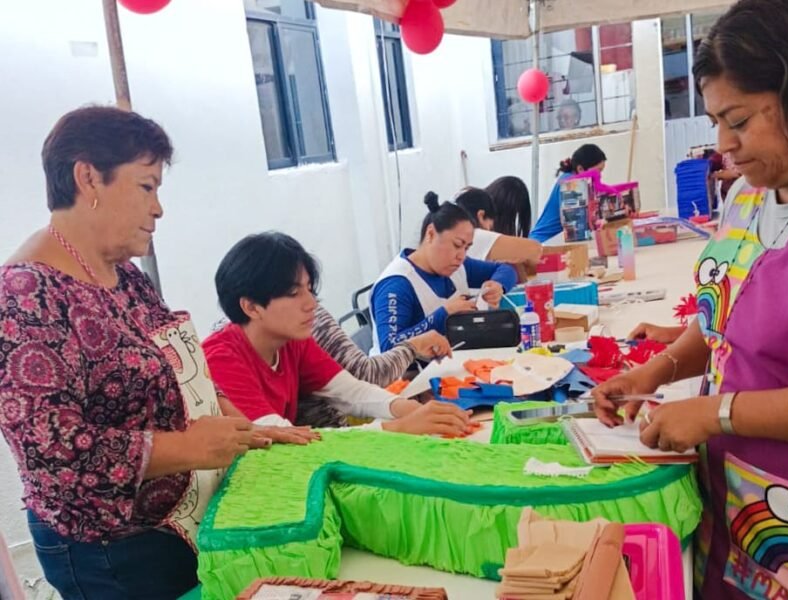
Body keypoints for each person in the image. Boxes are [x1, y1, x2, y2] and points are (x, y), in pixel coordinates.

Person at [591, 0, 788, 597]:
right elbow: (726, 320)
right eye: (715, 121)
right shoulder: (749, 193)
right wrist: (655, 372)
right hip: (736, 507)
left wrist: (713, 413)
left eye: (738, 120)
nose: (723, 145)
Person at [0, 107, 313, 600]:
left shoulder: (123, 274)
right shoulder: (25, 294)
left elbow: (180, 371)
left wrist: (248, 430)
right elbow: (53, 452)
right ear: (88, 178)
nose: (158, 208)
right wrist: (189, 448)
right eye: (147, 187)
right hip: (110, 550)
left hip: (176, 524)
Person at [203, 232, 471, 437]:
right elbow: (285, 441)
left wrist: (407, 408)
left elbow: (351, 391)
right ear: (251, 307)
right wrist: (398, 427)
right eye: (294, 293)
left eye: (310, 289)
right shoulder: (221, 360)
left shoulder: (292, 340)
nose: (311, 303)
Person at [370, 195, 518, 353]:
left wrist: (498, 285)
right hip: (413, 369)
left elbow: (506, 269)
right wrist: (444, 315)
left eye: (466, 248)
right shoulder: (396, 285)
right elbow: (390, 347)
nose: (461, 256)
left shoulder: (458, 266)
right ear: (431, 234)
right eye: (457, 245)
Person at [312, 305, 451, 387]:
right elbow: (367, 373)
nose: (311, 302)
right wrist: (414, 346)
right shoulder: (395, 284)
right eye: (299, 291)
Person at [529, 144, 607, 242]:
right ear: (580, 169)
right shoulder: (570, 183)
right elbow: (576, 227)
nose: (600, 176)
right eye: (597, 171)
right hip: (544, 242)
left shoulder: (579, 183)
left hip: (551, 241)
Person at [453, 188, 543, 269]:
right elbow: (535, 249)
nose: (489, 231)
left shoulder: (454, 233)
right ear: (481, 215)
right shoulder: (475, 234)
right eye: (490, 227)